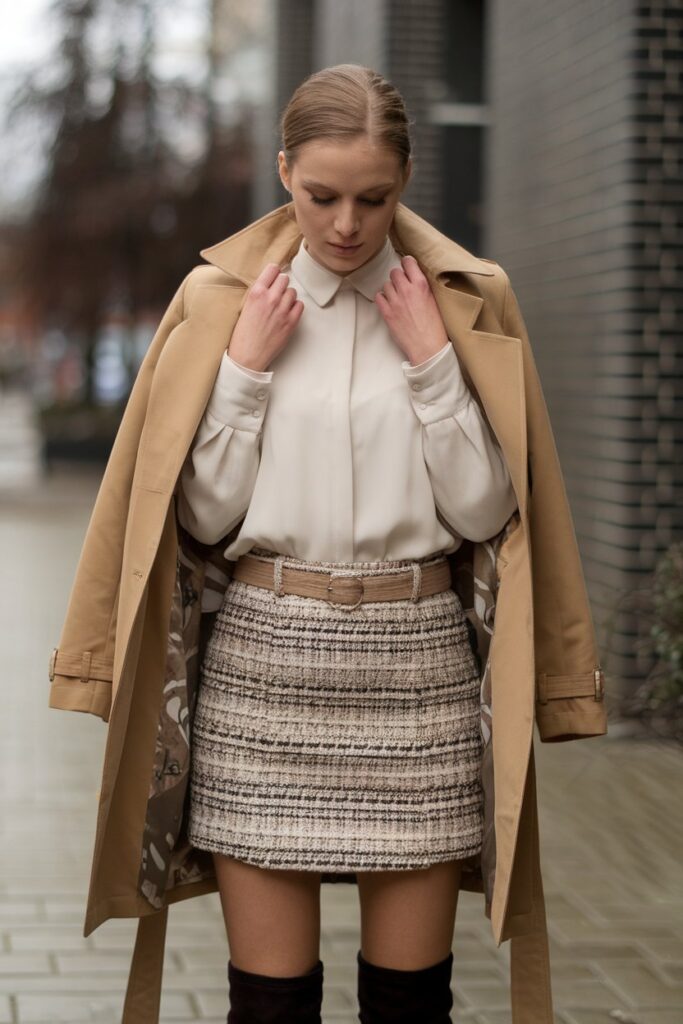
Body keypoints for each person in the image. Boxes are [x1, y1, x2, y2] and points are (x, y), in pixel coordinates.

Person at [174, 63, 518, 1023]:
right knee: (268, 1009)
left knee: (410, 1007)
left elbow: (486, 514)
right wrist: (242, 368)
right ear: (283, 171)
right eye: (320, 195)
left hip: (417, 671)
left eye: (374, 198)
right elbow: (201, 519)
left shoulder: (459, 300)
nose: (345, 225)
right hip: (264, 665)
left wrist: (433, 362)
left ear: (403, 183)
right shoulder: (221, 302)